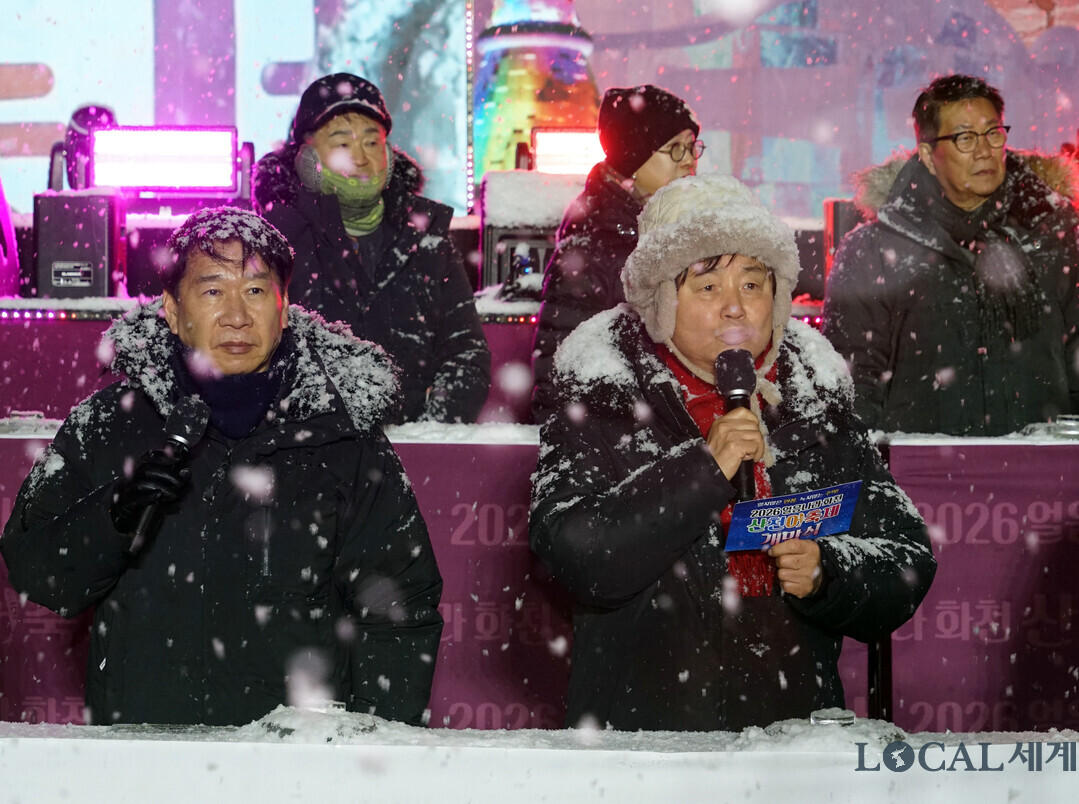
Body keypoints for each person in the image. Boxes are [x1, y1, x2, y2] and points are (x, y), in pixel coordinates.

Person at [0, 207, 443, 727]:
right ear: (172, 309)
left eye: (256, 291)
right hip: (144, 748)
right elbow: (38, 574)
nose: (237, 315)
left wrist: (373, 752)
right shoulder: (108, 424)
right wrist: (114, 515)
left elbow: (401, 609)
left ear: (283, 308)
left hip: (297, 760)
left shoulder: (343, 436)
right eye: (213, 291)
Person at [529, 174, 936, 732]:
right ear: (662, 301)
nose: (736, 310)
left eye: (752, 285)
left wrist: (827, 573)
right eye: (707, 288)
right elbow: (578, 553)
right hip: (640, 741)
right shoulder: (600, 393)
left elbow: (905, 558)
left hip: (790, 746)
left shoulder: (814, 396)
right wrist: (703, 471)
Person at [823, 73, 1079, 435]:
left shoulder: (1052, 238)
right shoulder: (874, 251)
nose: (984, 150)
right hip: (924, 478)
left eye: (993, 133)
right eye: (964, 137)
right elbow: (851, 387)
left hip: (1042, 475)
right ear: (928, 154)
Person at [254, 72, 490, 424]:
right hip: (310, 454)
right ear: (306, 158)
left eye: (371, 142)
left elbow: (465, 351)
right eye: (342, 143)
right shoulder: (275, 240)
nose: (361, 159)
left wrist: (428, 430)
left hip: (415, 450)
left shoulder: (427, 239)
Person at [530, 84, 701, 422]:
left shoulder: (683, 225)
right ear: (633, 157)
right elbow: (561, 373)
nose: (690, 161)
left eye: (693, 147)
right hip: (624, 438)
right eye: (675, 149)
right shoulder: (591, 246)